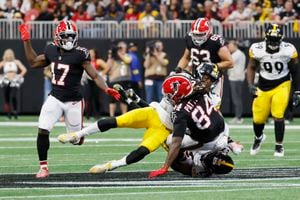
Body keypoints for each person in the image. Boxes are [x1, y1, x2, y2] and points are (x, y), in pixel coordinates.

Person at [58, 63, 242, 177]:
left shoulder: (182, 109)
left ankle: (109, 166)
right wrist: (132, 100)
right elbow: (161, 108)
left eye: (171, 95)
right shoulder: (190, 89)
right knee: (117, 120)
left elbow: (181, 135)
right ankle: (78, 134)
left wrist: (166, 166)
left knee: (164, 147)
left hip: (176, 131)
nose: (169, 96)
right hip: (157, 114)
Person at [19, 20, 121, 179]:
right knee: (43, 129)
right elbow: (33, 62)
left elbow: (94, 75)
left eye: (71, 36)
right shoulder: (51, 49)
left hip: (74, 101)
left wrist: (106, 88)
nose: (68, 40)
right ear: (57, 37)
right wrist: (26, 41)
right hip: (55, 97)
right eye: (65, 37)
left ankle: (79, 135)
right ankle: (43, 167)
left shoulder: (81, 53)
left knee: (76, 140)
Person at [149, 63, 236, 178]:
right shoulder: (203, 93)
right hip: (217, 132)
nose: (208, 82)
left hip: (204, 138)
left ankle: (200, 161)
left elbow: (176, 141)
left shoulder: (181, 108)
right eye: (205, 78)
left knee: (170, 141)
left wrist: (165, 167)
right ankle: (219, 148)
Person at [247, 24, 299, 157]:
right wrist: (250, 84)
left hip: (282, 83)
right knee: (258, 119)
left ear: (281, 40)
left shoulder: (288, 50)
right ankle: (258, 138)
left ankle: (279, 145)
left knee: (278, 114)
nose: (274, 43)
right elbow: (252, 67)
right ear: (265, 38)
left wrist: (297, 90)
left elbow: (295, 70)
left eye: (276, 40)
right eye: (271, 39)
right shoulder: (257, 49)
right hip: (263, 84)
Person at [176, 17, 234, 108]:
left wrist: (213, 66)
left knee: (213, 107)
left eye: (200, 35)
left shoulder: (214, 42)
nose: (197, 38)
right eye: (195, 34)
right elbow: (186, 58)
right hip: (196, 77)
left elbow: (230, 62)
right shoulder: (189, 39)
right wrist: (178, 70)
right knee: (193, 106)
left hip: (213, 79)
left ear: (208, 32)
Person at [105, 41, 132, 117]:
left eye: (123, 47)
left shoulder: (127, 56)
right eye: (120, 47)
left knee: (124, 98)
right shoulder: (113, 57)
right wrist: (113, 55)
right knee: (113, 98)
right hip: (114, 79)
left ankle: (124, 115)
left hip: (125, 79)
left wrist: (119, 53)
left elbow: (128, 61)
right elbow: (107, 67)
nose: (121, 49)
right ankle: (111, 115)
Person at [0, 48, 27, 119]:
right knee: (6, 97)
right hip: (5, 81)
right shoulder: (3, 62)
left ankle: (15, 111)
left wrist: (19, 76)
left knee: (13, 96)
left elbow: (24, 70)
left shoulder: (16, 62)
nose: (9, 55)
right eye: (7, 54)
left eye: (10, 54)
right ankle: (8, 113)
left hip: (14, 81)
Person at [226, 40, 246, 124]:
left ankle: (238, 117)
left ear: (235, 46)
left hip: (236, 78)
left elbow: (228, 62)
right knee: (236, 98)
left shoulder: (237, 54)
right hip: (235, 78)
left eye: (230, 46)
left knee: (236, 98)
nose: (228, 48)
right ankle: (238, 116)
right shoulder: (238, 54)